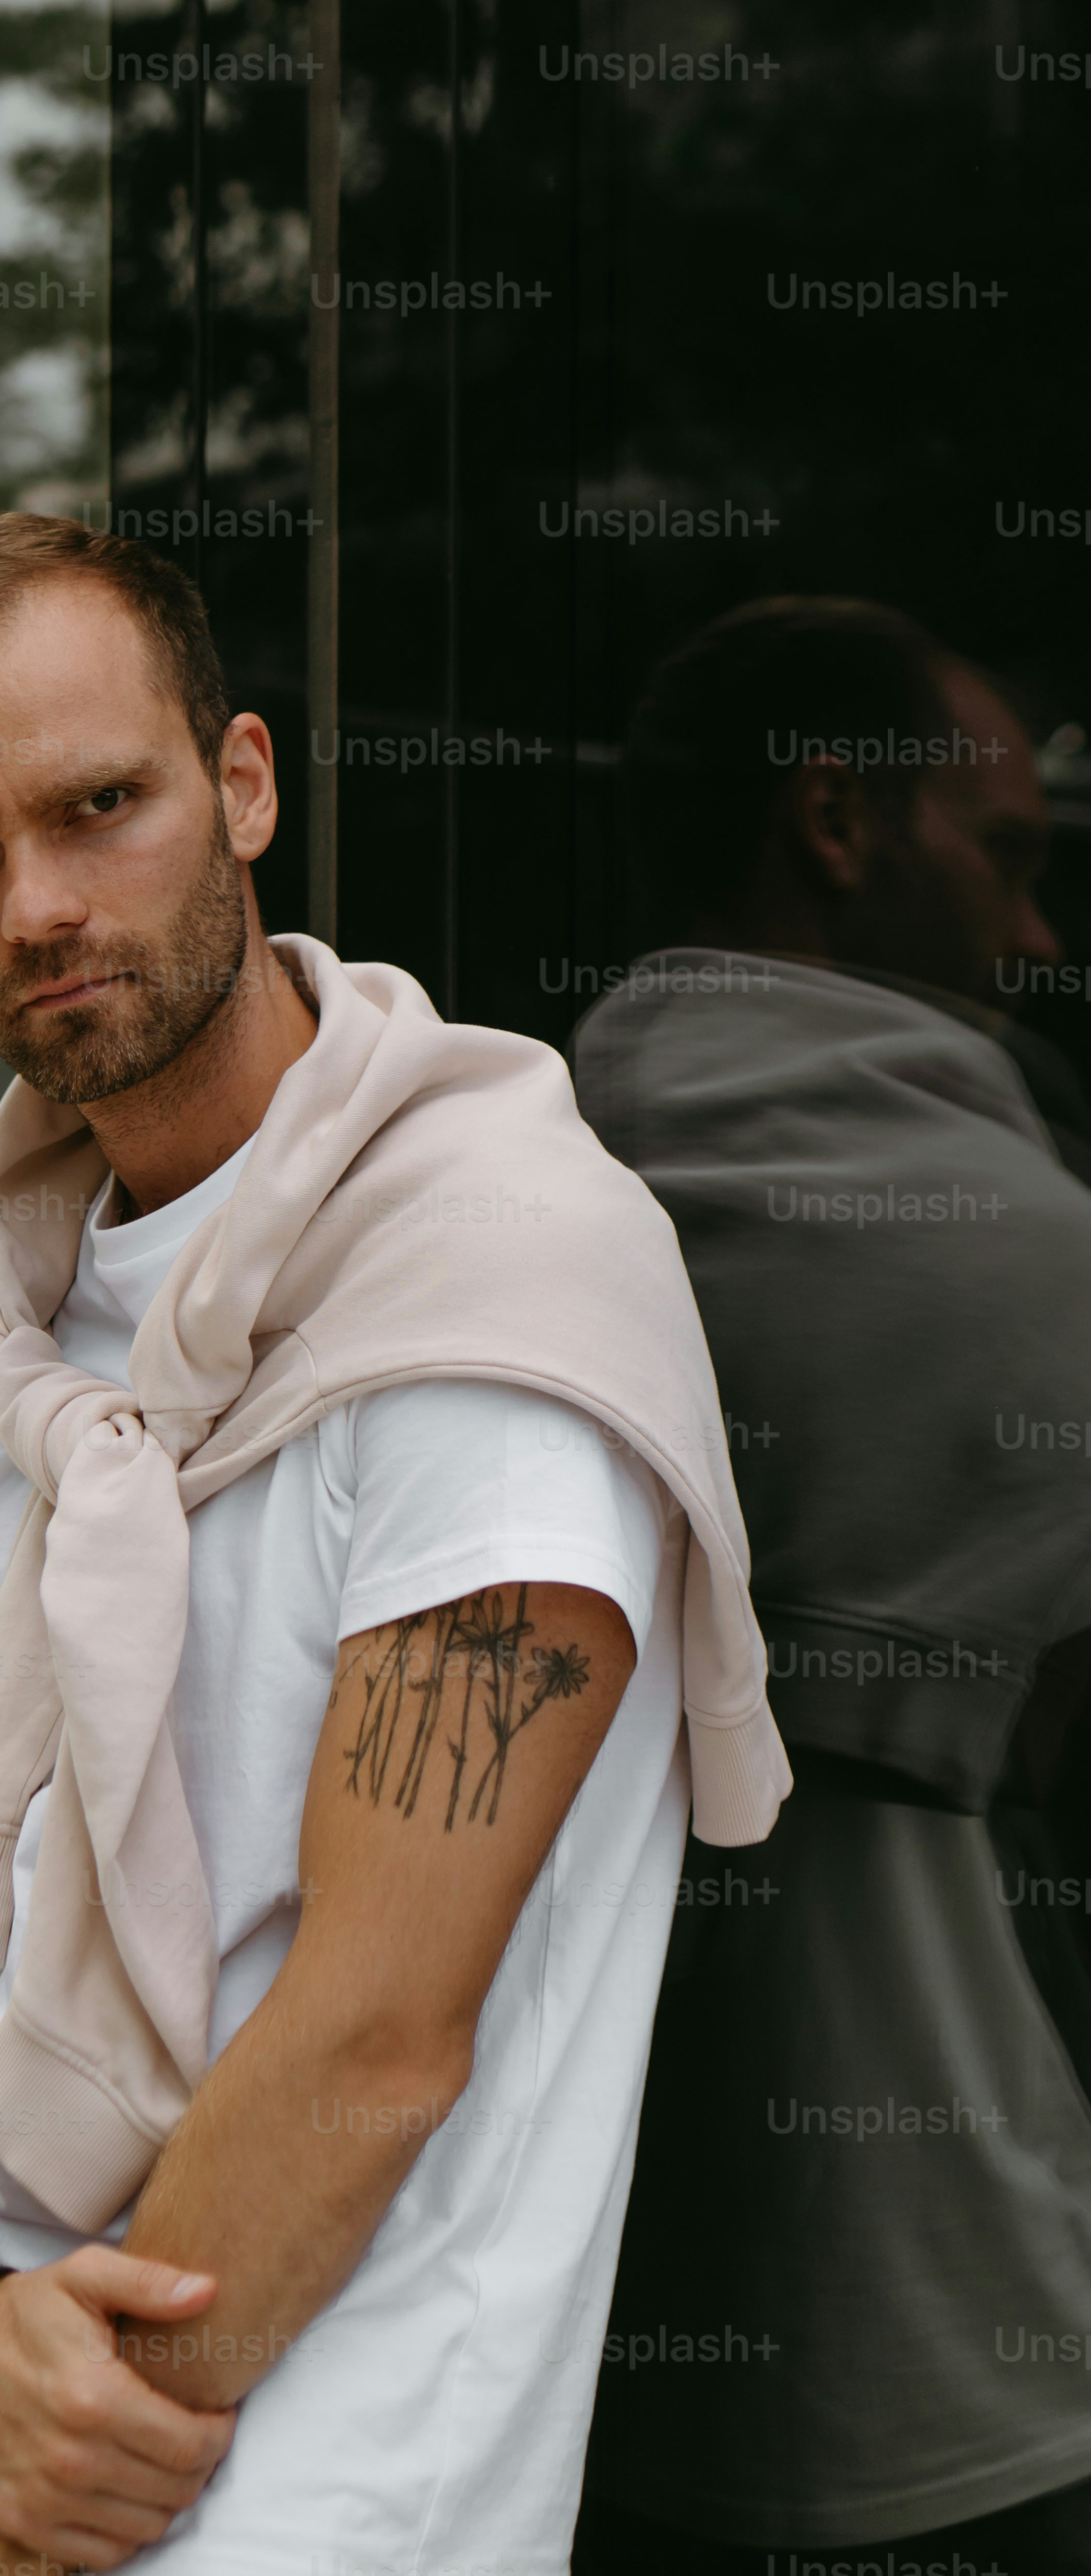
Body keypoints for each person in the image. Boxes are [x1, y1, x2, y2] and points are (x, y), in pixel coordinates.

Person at [0, 513, 785, 2576]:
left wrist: (3, 2520)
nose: (35, 902)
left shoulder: (495, 1285)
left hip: (284, 2486)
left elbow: (374, 2024)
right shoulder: (0, 1339)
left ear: (238, 785)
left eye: (97, 806)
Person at [569, 596, 1091, 2576]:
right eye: (1013, 855)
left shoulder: (515, 1202)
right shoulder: (1028, 1269)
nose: (1037, 939)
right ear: (841, 823)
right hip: (962, 2354)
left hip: (589, 2346)